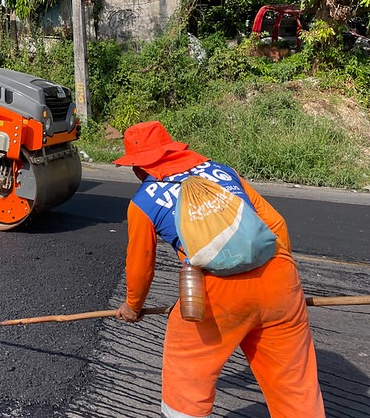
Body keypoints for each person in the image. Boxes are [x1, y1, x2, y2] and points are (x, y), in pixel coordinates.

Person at [113, 121, 324, 418]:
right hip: (278, 277)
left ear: (139, 167)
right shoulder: (223, 171)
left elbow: (141, 265)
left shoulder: (143, 201)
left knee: (188, 376)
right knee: (294, 385)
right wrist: (282, 280)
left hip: (217, 294)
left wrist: (133, 306)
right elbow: (276, 224)